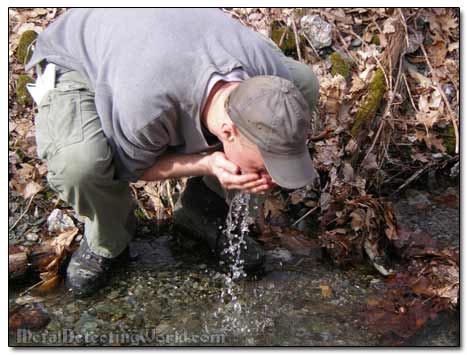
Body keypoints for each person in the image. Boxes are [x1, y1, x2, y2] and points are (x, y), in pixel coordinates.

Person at [26, 8, 320, 298]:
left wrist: (242, 162)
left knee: (304, 82)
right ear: (228, 131)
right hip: (79, 58)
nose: (271, 178)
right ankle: (109, 239)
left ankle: (204, 209)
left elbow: (289, 98)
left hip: (172, 39)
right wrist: (207, 163)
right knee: (81, 165)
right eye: (265, 166)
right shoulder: (146, 109)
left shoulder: (272, 76)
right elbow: (133, 170)